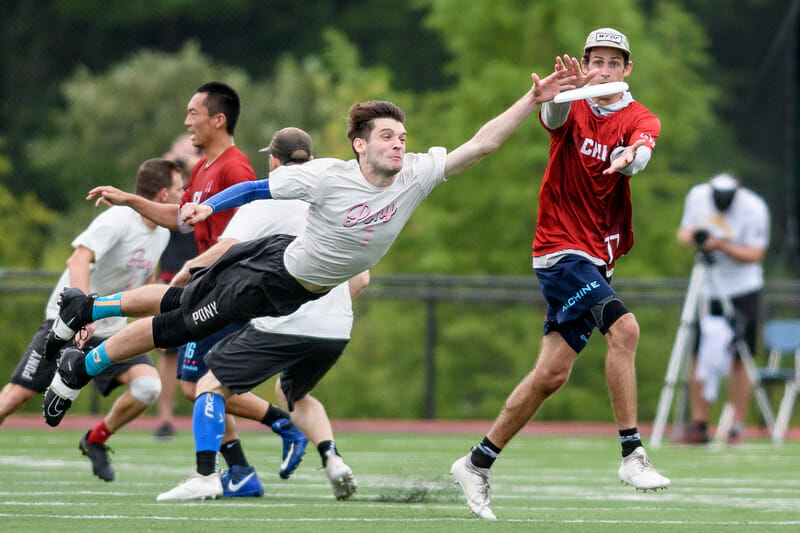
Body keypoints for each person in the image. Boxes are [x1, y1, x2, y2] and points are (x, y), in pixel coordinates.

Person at [40, 63, 578, 472]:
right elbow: (256, 187)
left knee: (182, 304)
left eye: (402, 137)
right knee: (181, 323)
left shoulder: (416, 174)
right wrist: (210, 206)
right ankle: (78, 366)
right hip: (271, 276)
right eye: (387, 137)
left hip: (289, 283)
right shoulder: (326, 175)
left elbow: (482, 144)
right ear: (360, 144)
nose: (399, 144)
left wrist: (531, 100)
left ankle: (84, 309)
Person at [450, 28, 669, 520]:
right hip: (559, 250)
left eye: (614, 63)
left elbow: (641, 151)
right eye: (596, 61)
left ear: (628, 69)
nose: (604, 70)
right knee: (626, 328)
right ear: (585, 64)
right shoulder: (572, 103)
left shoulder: (640, 117)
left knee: (551, 374)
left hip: (595, 258)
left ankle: (477, 462)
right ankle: (632, 454)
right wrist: (555, 94)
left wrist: (632, 158)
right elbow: (553, 114)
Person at [53, 81, 309, 493]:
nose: (187, 121)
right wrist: (131, 199)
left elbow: (243, 236)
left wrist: (199, 268)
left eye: (194, 113)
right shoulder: (206, 168)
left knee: (198, 379)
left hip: (226, 290)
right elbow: (180, 218)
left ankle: (85, 332)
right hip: (211, 284)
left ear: (218, 119)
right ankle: (244, 467)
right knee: (201, 384)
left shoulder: (234, 167)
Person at [156, 127, 369, 501]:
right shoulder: (332, 205)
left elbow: (224, 251)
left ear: (272, 161)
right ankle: (331, 458)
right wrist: (327, 302)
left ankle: (208, 474)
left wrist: (183, 275)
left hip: (283, 318)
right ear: (312, 162)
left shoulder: (264, 202)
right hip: (336, 326)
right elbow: (362, 278)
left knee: (207, 386)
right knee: (294, 394)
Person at [0, 158, 182, 482]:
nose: (185, 195)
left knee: (147, 387)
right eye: (181, 189)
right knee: (16, 396)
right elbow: (78, 258)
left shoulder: (164, 233)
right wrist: (80, 312)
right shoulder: (118, 220)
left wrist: (158, 324)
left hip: (111, 327)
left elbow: (145, 281)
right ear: (164, 194)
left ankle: (95, 439)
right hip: (69, 320)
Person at [676, 173, 770, 444]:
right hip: (706, 288)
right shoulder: (697, 196)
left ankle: (735, 425)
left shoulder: (755, 207)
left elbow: (755, 254)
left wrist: (721, 246)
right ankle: (699, 424)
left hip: (743, 289)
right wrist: (698, 238)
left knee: (741, 357)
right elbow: (683, 233)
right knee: (698, 355)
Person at [153, 134, 201, 440]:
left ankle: (211, 411)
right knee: (168, 350)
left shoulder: (205, 177)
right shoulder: (168, 186)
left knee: (207, 344)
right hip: (171, 270)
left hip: (201, 267)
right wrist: (174, 161)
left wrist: (190, 161)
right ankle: (165, 418)